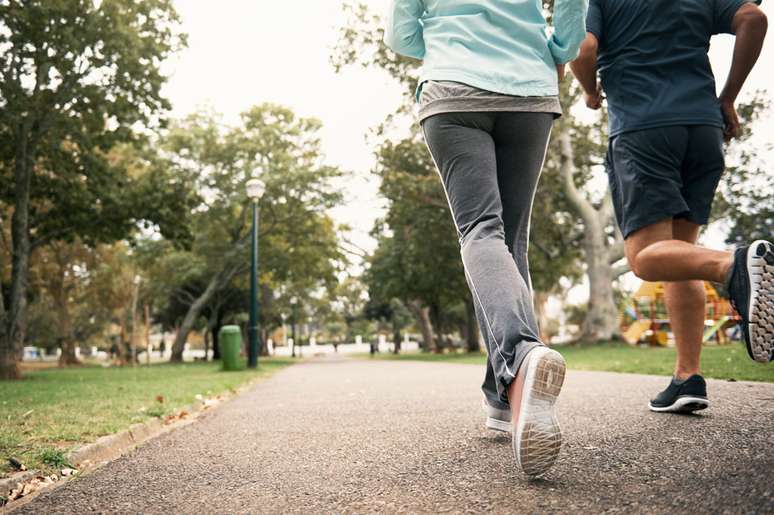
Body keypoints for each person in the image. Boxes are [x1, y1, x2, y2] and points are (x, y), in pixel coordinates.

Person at [384, 0, 587, 476]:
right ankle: (502, 397)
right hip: (528, 91)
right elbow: (574, 9)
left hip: (455, 90)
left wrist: (446, 43)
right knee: (510, 241)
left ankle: (519, 356)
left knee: (481, 230)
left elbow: (400, 35)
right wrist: (559, 48)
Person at [570, 0, 772, 413]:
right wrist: (729, 97)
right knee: (682, 257)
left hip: (645, 129)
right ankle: (687, 378)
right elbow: (753, 18)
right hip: (703, 129)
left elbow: (583, 49)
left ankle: (735, 266)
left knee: (645, 258)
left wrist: (590, 90)